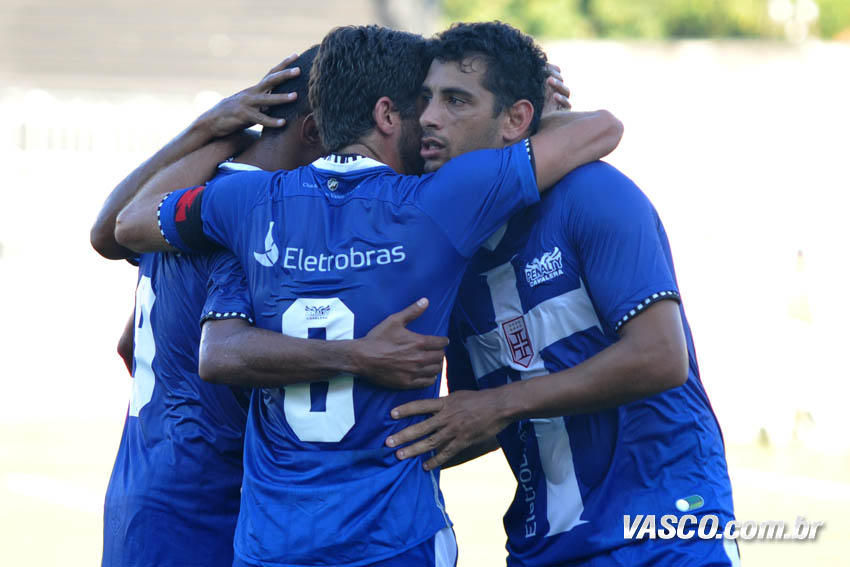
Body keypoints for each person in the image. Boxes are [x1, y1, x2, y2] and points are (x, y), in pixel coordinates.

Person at [113, 24, 622, 567]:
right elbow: (602, 129)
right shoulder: (440, 201)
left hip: (272, 544)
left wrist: (222, 129)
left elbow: (127, 223)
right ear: (386, 116)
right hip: (394, 541)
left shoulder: (245, 200)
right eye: (422, 104)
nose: (432, 120)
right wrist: (529, 112)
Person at [383, 22, 739, 567]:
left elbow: (661, 357)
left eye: (456, 100)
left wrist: (497, 405)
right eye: (425, 99)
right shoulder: (450, 247)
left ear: (516, 120)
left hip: (665, 534)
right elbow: (475, 414)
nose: (429, 117)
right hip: (543, 547)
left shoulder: (594, 194)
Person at [91, 47, 449, 567]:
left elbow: (129, 332)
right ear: (314, 131)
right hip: (208, 504)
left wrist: (214, 130)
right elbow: (220, 354)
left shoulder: (190, 199)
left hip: (141, 486)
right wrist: (356, 357)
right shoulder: (253, 215)